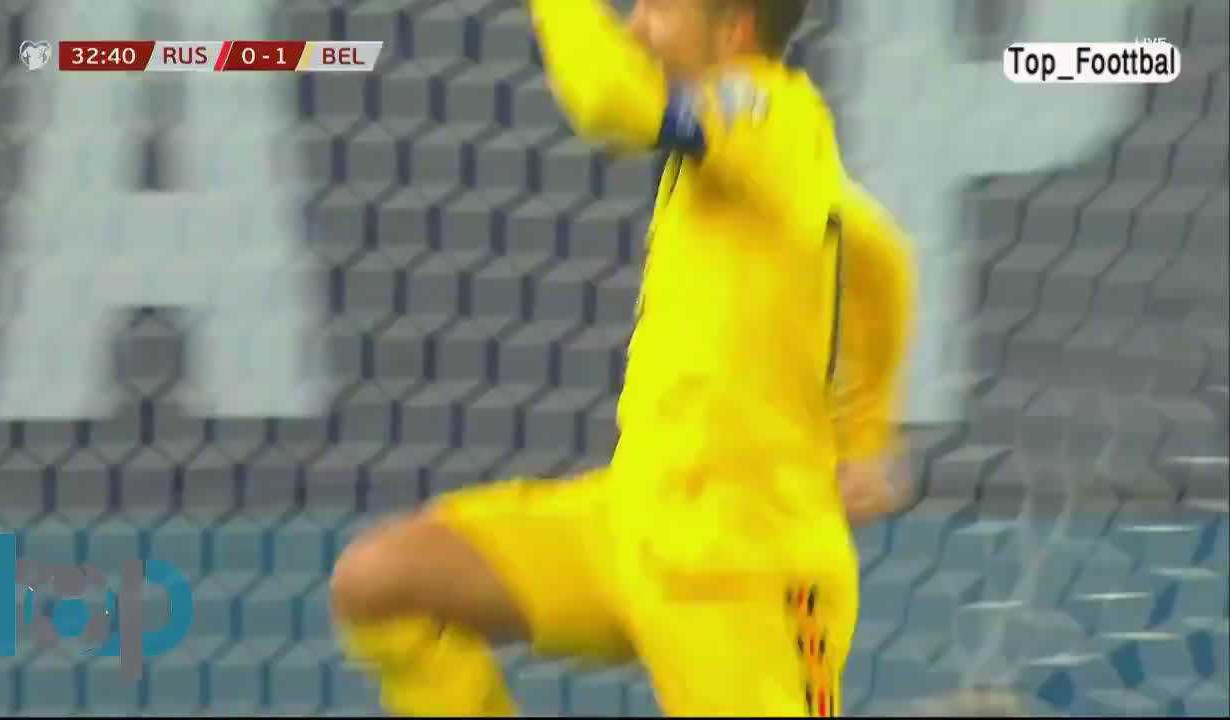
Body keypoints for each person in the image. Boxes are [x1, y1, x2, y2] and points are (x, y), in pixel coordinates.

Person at [329, 0, 916, 715]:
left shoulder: (768, 109)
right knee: (381, 585)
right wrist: (867, 435)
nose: (635, 26)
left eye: (658, 8)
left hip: (746, 572)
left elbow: (607, 96)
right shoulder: (755, 160)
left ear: (733, 29)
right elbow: (881, 257)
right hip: (632, 525)